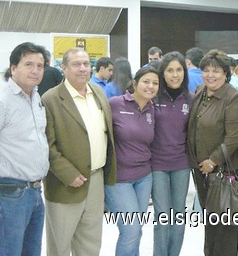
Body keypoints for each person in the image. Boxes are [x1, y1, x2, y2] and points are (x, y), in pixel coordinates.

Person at [42, 47, 116, 256]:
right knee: (60, 245)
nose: (83, 68)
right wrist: (68, 174)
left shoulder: (98, 93)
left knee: (91, 243)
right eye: (76, 64)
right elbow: (47, 145)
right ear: (63, 68)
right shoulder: (51, 99)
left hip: (95, 180)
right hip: (66, 184)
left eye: (86, 64)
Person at [187, 49, 238, 256]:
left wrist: (213, 160)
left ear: (226, 74)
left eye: (216, 71)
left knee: (225, 226)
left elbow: (234, 136)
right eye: (207, 70)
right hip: (200, 170)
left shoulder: (232, 97)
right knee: (211, 221)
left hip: (222, 170)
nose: (210, 75)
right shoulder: (201, 91)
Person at [0, 42, 49, 256]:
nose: (35, 70)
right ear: (13, 68)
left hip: (36, 191)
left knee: (31, 251)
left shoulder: (35, 96)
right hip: (10, 193)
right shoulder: (3, 100)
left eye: (40, 65)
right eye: (29, 64)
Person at [105, 66, 159, 256]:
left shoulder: (153, 109)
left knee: (137, 230)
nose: (150, 86)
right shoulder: (115, 104)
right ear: (135, 83)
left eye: (155, 83)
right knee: (130, 230)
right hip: (119, 179)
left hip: (144, 177)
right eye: (146, 81)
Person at [152, 52, 192, 256]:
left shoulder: (191, 98)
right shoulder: (153, 97)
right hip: (157, 165)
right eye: (170, 70)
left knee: (179, 214)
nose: (175, 75)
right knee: (162, 215)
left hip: (181, 165)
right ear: (162, 73)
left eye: (178, 70)